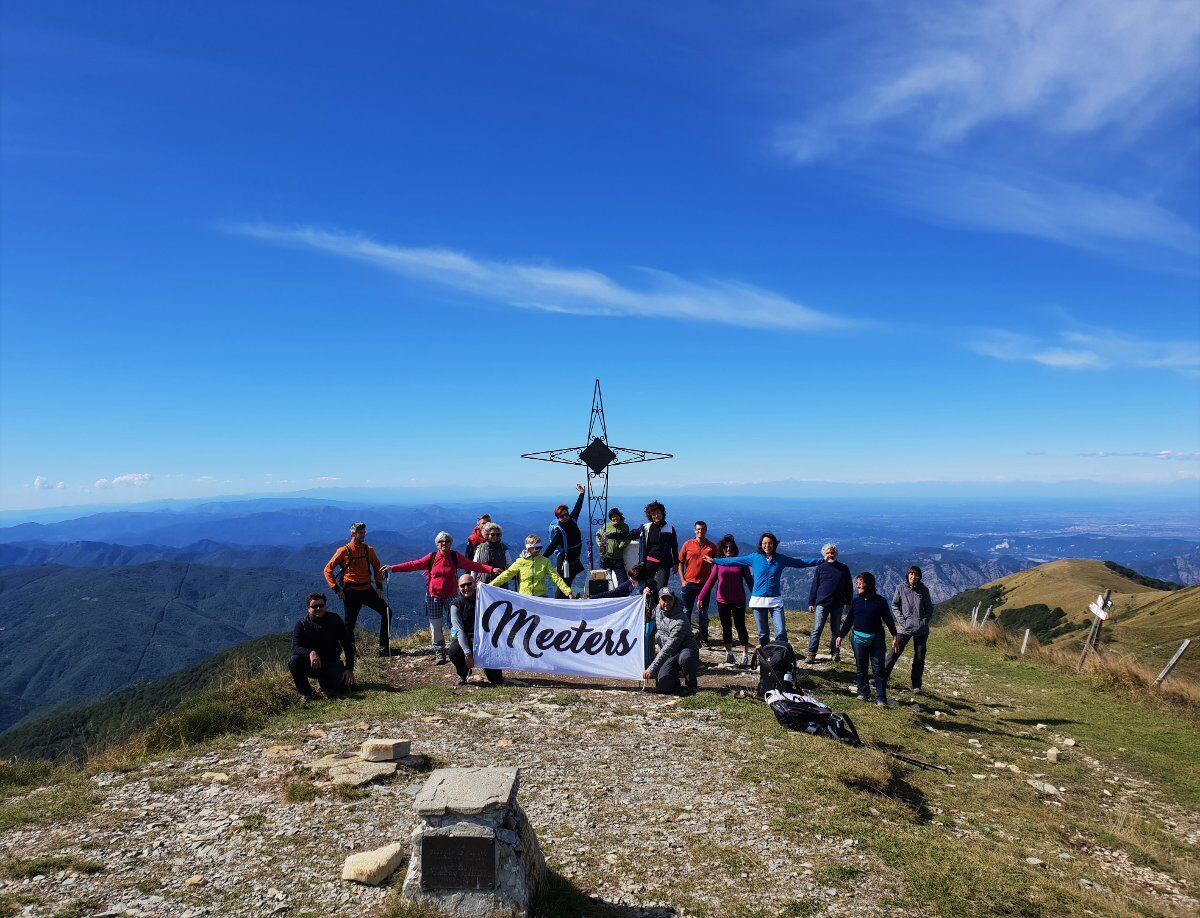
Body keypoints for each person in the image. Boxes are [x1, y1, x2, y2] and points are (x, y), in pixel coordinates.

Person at [382, 532, 499, 665]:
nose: (444, 543)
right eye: (441, 542)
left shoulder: (454, 556)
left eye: (447, 541)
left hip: (451, 597)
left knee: (455, 625)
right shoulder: (431, 557)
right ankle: (439, 652)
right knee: (435, 625)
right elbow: (413, 564)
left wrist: (490, 569)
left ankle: (458, 648)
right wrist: (393, 568)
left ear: (450, 543)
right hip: (433, 597)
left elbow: (471, 565)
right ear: (437, 544)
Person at [709, 532, 820, 647]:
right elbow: (733, 560)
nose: (767, 545)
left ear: (774, 544)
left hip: (775, 601)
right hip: (758, 601)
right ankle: (766, 656)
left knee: (781, 631)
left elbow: (800, 563)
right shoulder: (754, 557)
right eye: (764, 543)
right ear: (761, 544)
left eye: (770, 543)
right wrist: (715, 560)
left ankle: (780, 657)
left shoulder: (780, 559)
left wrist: (821, 560)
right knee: (762, 634)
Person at [323, 522, 391, 655]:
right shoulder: (343, 551)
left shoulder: (369, 550)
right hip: (350, 591)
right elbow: (327, 570)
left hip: (367, 589)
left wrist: (379, 586)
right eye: (361, 533)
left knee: (387, 612)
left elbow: (377, 567)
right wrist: (336, 589)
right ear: (352, 534)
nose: (363, 535)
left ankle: (384, 649)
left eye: (364, 532)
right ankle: (351, 654)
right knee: (349, 624)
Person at [835, 571, 898, 706]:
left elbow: (888, 619)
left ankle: (881, 697)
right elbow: (849, 620)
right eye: (857, 583)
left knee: (878, 668)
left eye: (861, 583)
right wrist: (841, 635)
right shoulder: (855, 602)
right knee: (861, 667)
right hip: (858, 638)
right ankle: (863, 692)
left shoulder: (880, 601)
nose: (858, 585)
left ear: (869, 584)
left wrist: (894, 635)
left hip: (877, 639)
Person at [698, 535, 754, 666]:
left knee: (741, 627)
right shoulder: (718, 563)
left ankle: (745, 655)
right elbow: (710, 582)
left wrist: (758, 597)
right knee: (726, 627)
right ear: (722, 549)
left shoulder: (741, 563)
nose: (728, 549)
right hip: (722, 600)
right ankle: (729, 654)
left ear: (734, 549)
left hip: (738, 600)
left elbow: (750, 582)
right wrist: (701, 596)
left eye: (731, 547)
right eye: (726, 547)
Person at [289, 592, 356, 699]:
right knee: (294, 661)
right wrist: (310, 652)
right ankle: (307, 693)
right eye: (314, 606)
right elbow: (294, 648)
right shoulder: (302, 624)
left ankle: (325, 682)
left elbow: (347, 644)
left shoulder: (334, 619)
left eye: (321, 605)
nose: (318, 608)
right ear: (308, 609)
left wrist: (349, 669)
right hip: (313, 665)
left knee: (349, 688)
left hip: (332, 662)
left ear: (325, 606)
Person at [593, 562, 657, 667]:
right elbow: (613, 593)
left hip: (645, 621)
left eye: (632, 578)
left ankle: (646, 663)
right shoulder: (630, 584)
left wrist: (647, 595)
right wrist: (592, 598)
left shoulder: (645, 589)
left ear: (638, 579)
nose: (629, 579)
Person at [884, 565, 934, 693]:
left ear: (919, 577)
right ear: (908, 575)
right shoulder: (900, 588)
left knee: (919, 657)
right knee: (893, 653)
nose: (913, 576)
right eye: (911, 574)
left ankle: (916, 685)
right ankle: (881, 677)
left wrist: (924, 622)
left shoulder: (924, 590)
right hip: (904, 628)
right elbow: (894, 605)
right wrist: (902, 621)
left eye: (916, 574)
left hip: (921, 630)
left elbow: (929, 608)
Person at [447, 574, 504, 686]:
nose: (466, 588)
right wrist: (467, 653)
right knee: (454, 651)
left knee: (497, 681)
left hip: (486, 638)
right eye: (462, 586)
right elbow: (459, 630)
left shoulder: (486, 599)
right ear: (458, 588)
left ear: (475, 584)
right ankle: (463, 673)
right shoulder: (456, 605)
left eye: (469, 584)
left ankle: (490, 670)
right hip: (467, 637)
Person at [643, 587, 699, 695]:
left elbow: (669, 648)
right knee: (663, 688)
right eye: (664, 600)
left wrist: (651, 669)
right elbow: (648, 614)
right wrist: (646, 597)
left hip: (684, 650)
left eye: (669, 599)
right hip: (670, 654)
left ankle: (692, 686)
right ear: (659, 600)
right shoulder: (658, 610)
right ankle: (676, 683)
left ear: (674, 599)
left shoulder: (680, 621)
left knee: (686, 657)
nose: (667, 603)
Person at [806, 543, 853, 665]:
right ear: (824, 555)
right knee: (817, 629)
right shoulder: (820, 568)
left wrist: (848, 602)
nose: (830, 555)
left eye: (832, 553)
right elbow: (814, 586)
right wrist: (811, 602)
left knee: (836, 630)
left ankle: (835, 653)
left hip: (838, 604)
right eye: (827, 553)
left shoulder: (844, 568)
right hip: (822, 603)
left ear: (836, 554)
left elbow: (849, 587)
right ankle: (811, 653)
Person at [488, 534, 574, 597]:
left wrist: (568, 592)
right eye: (537, 548)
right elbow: (506, 575)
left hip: (541, 597)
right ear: (529, 548)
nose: (539, 550)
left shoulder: (545, 561)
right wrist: (489, 586)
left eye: (540, 547)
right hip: (524, 598)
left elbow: (556, 578)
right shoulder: (520, 562)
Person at [678, 520, 718, 647]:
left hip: (704, 585)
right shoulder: (687, 544)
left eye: (702, 529)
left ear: (706, 530)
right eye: (698, 529)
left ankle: (703, 638)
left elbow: (717, 564)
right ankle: (687, 638)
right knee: (686, 611)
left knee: (703, 612)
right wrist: (683, 580)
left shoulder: (712, 546)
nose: (700, 531)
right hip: (689, 583)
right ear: (695, 530)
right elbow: (680, 562)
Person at [543, 484, 586, 596]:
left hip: (574, 558)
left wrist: (581, 493)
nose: (565, 517)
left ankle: (565, 603)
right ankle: (559, 606)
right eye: (561, 516)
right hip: (565, 561)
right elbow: (552, 546)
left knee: (568, 583)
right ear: (557, 518)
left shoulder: (573, 520)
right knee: (563, 586)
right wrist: (542, 559)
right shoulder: (560, 531)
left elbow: (578, 507)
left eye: (566, 514)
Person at [627, 501, 680, 591]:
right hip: (648, 563)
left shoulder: (669, 528)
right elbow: (631, 534)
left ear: (662, 513)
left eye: (658, 513)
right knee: (645, 588)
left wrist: (676, 563)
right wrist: (613, 536)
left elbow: (674, 546)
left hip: (664, 563)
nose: (656, 516)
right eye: (653, 514)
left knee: (661, 588)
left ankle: (656, 604)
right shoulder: (646, 527)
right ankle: (647, 604)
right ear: (650, 516)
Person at [596, 507, 632, 586]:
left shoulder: (625, 527)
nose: (615, 518)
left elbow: (628, 538)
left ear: (620, 516)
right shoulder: (606, 526)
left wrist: (622, 545)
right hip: (606, 557)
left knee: (623, 581)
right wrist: (601, 545)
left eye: (616, 516)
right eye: (612, 517)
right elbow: (598, 534)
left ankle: (620, 596)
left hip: (618, 558)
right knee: (601, 581)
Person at [471, 522, 513, 586]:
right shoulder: (480, 548)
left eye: (497, 534)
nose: (495, 536)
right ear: (487, 535)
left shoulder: (503, 548)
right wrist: (473, 582)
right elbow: (475, 566)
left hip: (500, 583)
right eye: (492, 534)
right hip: (483, 583)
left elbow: (509, 565)